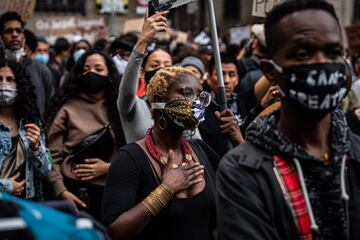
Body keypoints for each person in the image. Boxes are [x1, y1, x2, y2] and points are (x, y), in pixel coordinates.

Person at [217, 1, 360, 239]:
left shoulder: (355, 153)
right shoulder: (242, 173)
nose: (320, 63)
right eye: (302, 54)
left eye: (333, 53)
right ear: (271, 72)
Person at [102, 66, 219, 240]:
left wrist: (237, 138)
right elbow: (114, 231)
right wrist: (165, 190)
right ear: (158, 99)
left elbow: (239, 191)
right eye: (186, 93)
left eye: (200, 95)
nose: (196, 102)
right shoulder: (130, 158)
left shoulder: (201, 150)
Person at [46, 49, 125, 220]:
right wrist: (62, 191)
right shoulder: (66, 107)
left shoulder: (120, 109)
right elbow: (52, 155)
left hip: (112, 193)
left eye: (98, 69)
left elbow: (136, 151)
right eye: (86, 69)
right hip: (75, 191)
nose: (91, 73)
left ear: (110, 75)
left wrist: (108, 167)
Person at [0, 55, 52, 200]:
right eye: (0, 80)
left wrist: (36, 148)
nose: (4, 85)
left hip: (27, 205)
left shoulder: (31, 122)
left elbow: (47, 169)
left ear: (20, 85)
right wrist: (6, 186)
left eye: (10, 80)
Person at [0, 11, 54, 118]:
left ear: (23, 36)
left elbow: (49, 107)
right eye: (9, 31)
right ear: (1, 37)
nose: (14, 35)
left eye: (18, 31)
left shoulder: (41, 71)